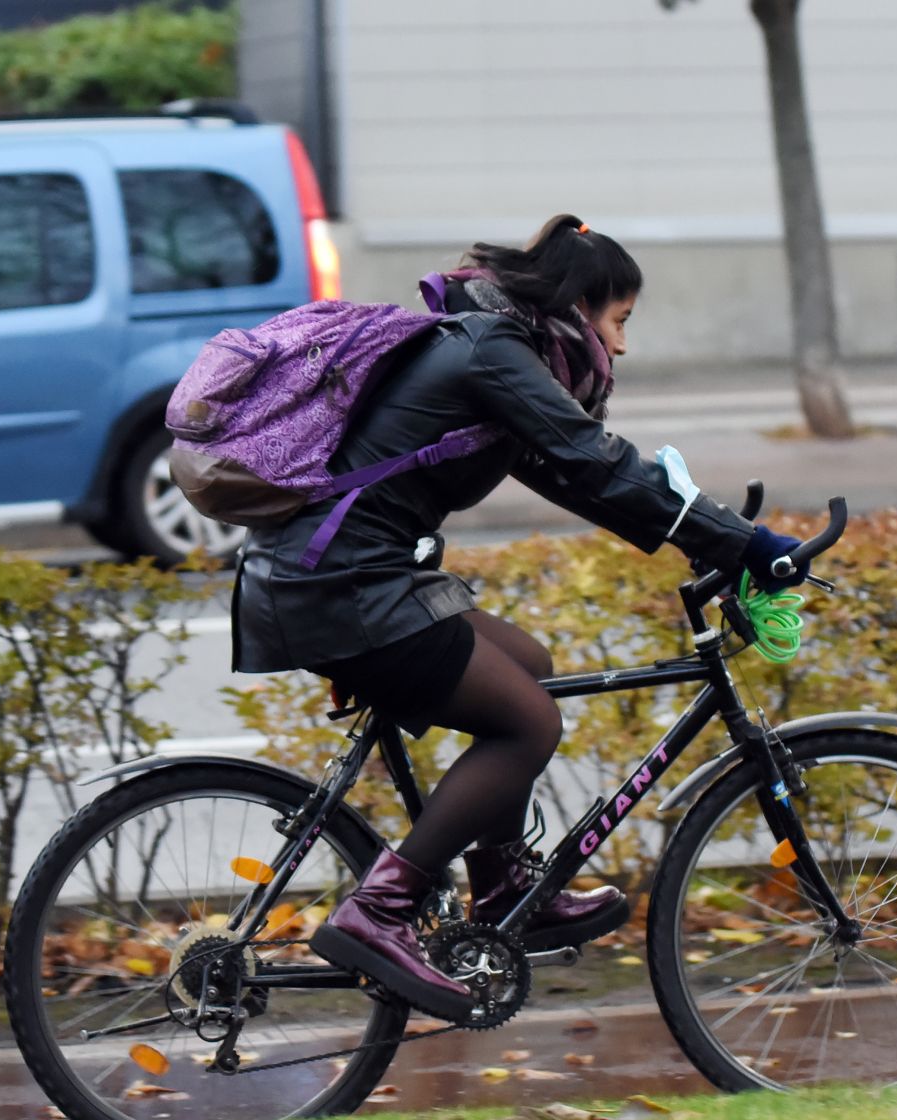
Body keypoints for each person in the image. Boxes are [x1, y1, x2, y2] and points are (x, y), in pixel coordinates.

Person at [231, 214, 807, 1022]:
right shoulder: (492, 354)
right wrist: (751, 545)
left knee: (527, 665)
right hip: (338, 586)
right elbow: (595, 459)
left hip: (339, 577)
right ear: (578, 308)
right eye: (620, 322)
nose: (624, 346)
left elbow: (581, 479)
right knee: (527, 725)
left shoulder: (493, 348)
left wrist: (710, 539)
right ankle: (382, 909)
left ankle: (505, 884)